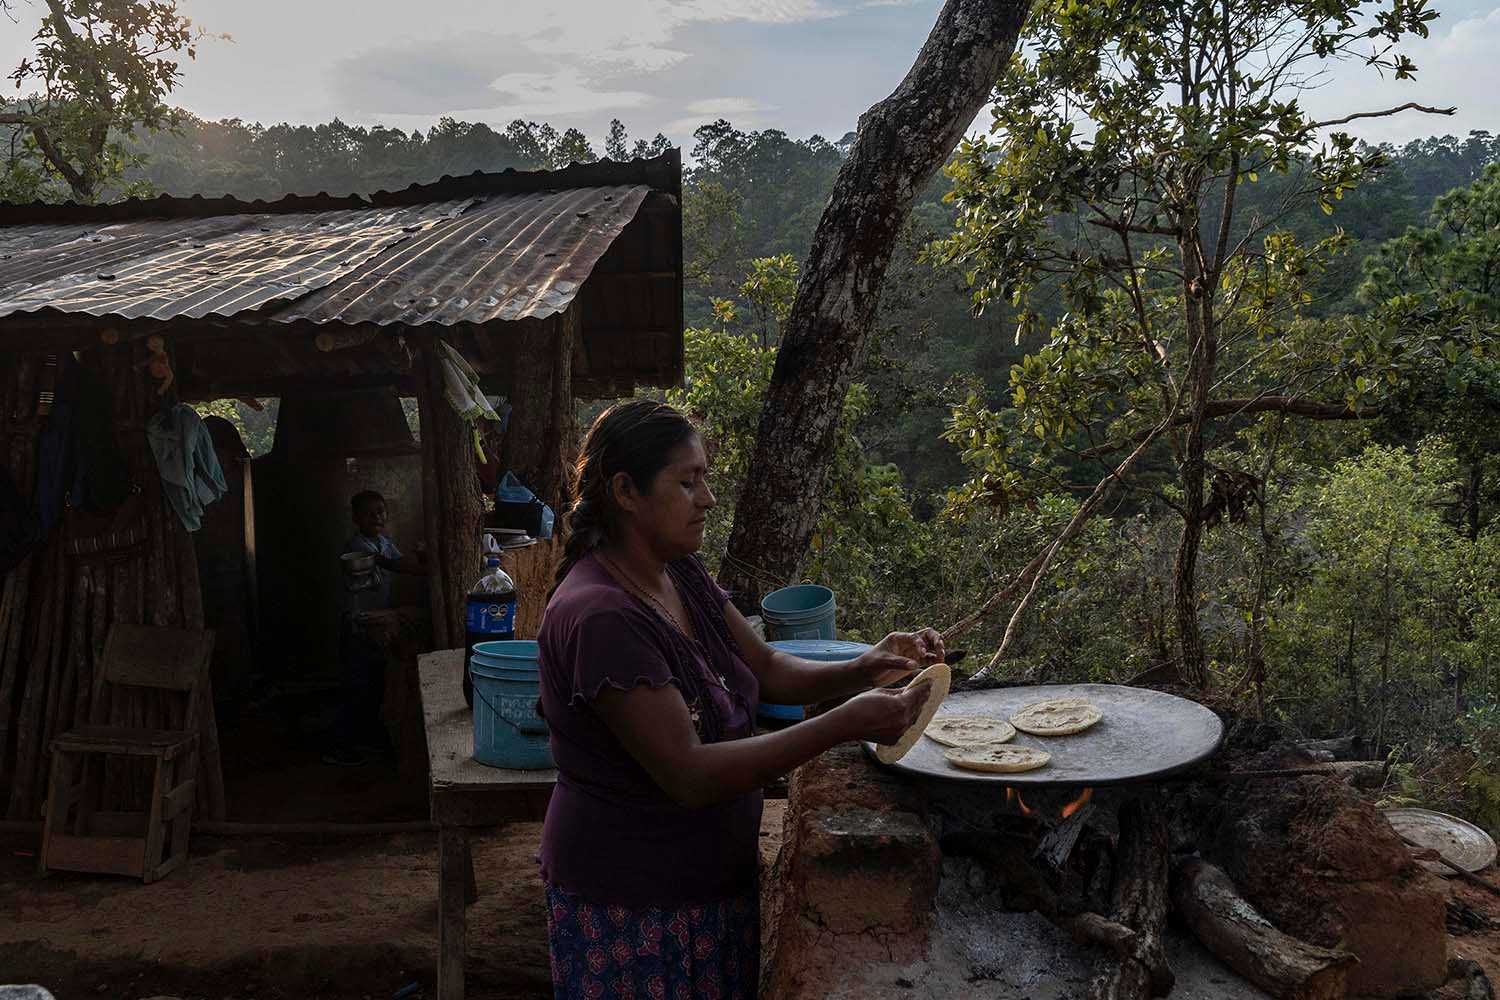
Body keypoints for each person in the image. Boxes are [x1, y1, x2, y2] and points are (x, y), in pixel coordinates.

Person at [537, 400, 944, 1000]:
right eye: (687, 481)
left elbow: (769, 667)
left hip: (708, 885)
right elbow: (690, 776)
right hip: (635, 906)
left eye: (707, 479)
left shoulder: (679, 572)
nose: (707, 499)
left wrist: (867, 665)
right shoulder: (602, 618)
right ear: (626, 490)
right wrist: (844, 724)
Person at [325, 490, 427, 767]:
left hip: (374, 627)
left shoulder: (383, 542)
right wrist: (426, 564)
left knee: (373, 686)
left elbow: (401, 560)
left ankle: (365, 736)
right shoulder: (358, 547)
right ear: (356, 518)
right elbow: (394, 564)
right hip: (357, 626)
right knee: (355, 687)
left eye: (381, 511)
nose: (378, 517)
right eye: (370, 513)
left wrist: (422, 562)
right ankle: (340, 745)